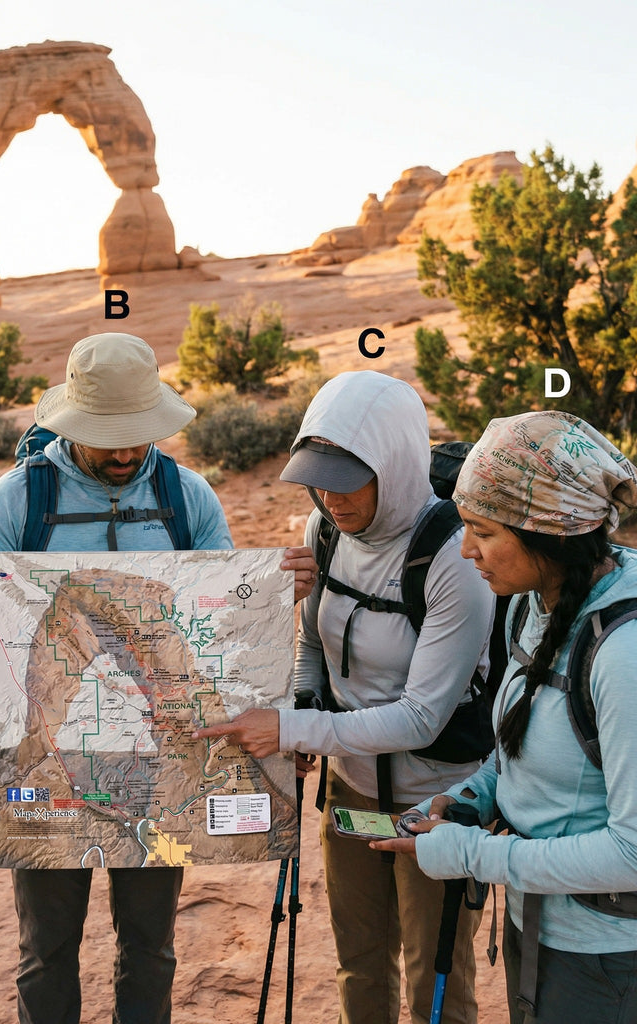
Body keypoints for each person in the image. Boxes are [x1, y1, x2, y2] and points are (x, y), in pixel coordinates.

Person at [0, 331, 316, 1024]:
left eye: (134, 435)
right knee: (46, 951)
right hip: (49, 770)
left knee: (151, 947)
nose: (121, 452)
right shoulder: (19, 497)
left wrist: (266, 600)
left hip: (158, 760)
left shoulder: (184, 496)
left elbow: (220, 626)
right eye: (105, 436)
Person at [193, 370, 495, 1024]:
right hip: (352, 790)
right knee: (359, 960)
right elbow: (311, 646)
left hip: (435, 797)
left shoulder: (454, 558)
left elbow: (421, 718)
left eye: (347, 478)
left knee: (434, 975)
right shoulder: (322, 532)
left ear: (394, 461)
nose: (330, 497)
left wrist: (294, 730)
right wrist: (302, 711)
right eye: (316, 478)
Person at [371, 410, 637, 1024]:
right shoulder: (529, 606)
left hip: (608, 955)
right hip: (536, 920)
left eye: (481, 530)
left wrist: (471, 856)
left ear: (548, 534)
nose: (466, 550)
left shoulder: (631, 652)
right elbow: (527, 741)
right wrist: (473, 795)